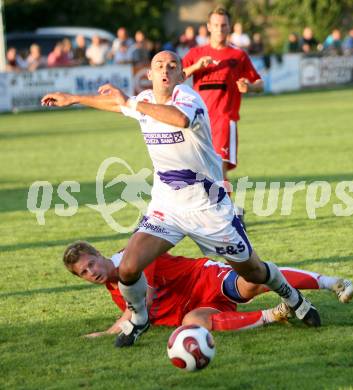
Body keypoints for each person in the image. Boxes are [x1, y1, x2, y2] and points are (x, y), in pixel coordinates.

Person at [41, 49, 320, 349]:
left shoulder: (187, 99)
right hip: (168, 206)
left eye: (172, 66)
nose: (165, 69)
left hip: (208, 208)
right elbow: (118, 104)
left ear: (181, 75)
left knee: (252, 272)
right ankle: (139, 319)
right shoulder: (144, 101)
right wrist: (74, 98)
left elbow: (179, 119)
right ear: (148, 75)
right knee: (129, 267)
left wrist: (132, 102)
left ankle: (293, 298)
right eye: (159, 65)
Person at [63, 241, 353, 336]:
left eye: (92, 264)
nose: (92, 273)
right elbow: (136, 312)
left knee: (252, 282)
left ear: (100, 255)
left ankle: (331, 283)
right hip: (195, 308)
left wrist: (112, 331)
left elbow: (143, 300)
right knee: (193, 323)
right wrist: (111, 330)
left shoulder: (133, 258)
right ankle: (275, 314)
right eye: (84, 273)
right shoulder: (113, 287)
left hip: (205, 280)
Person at [182, 7, 263, 191]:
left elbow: (260, 83)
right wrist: (196, 66)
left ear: (229, 27)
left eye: (224, 25)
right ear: (209, 27)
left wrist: (249, 87)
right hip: (198, 122)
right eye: (216, 25)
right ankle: (206, 217)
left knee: (219, 174)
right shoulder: (196, 53)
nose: (220, 29)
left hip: (224, 121)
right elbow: (178, 76)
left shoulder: (238, 55)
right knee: (196, 175)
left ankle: (227, 217)